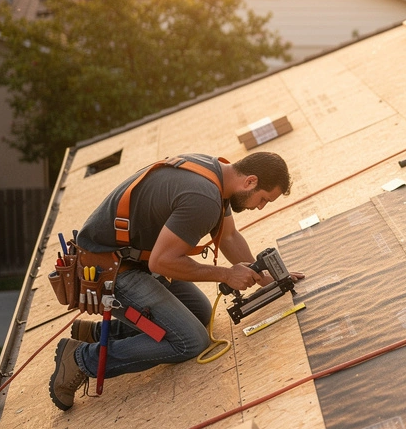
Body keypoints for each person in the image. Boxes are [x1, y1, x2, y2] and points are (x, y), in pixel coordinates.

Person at [48, 152, 298, 410]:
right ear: (250, 181)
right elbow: (162, 263)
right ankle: (80, 359)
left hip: (131, 258)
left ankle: (98, 333)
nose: (260, 207)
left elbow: (229, 237)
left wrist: (266, 278)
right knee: (191, 341)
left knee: (200, 313)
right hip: (108, 269)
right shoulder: (203, 198)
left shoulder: (217, 175)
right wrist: (226, 274)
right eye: (263, 200)